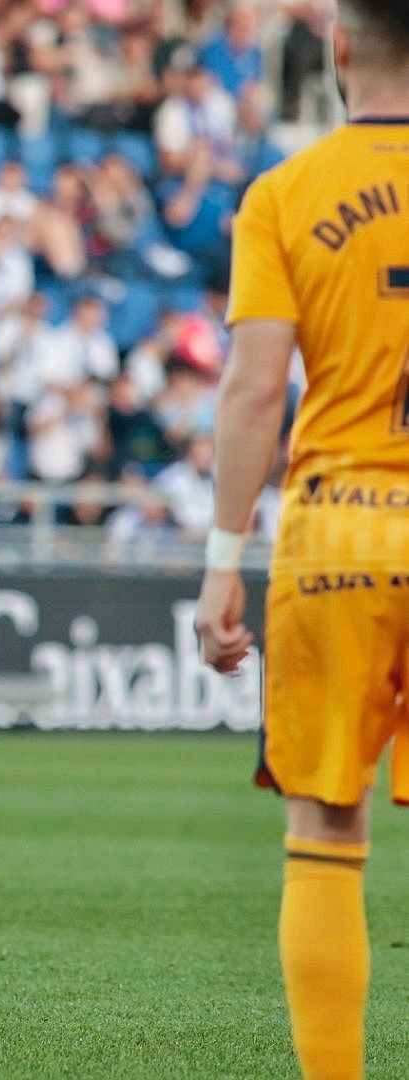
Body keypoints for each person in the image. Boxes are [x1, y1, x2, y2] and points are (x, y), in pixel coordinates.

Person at [194, 4, 409, 1077]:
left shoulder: (285, 193)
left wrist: (222, 564)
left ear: (336, 50)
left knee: (328, 829)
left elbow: (250, 393)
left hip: (338, 529)